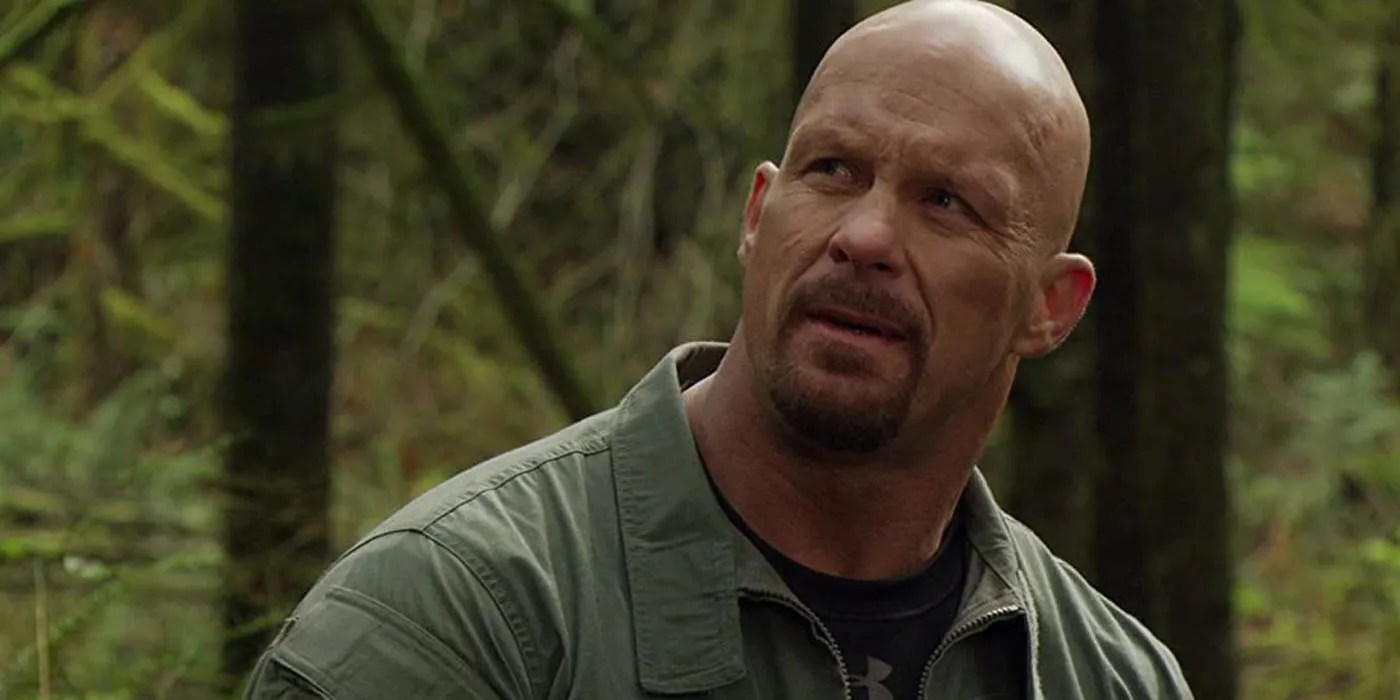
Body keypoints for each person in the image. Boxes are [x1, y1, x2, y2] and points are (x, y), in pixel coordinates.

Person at [244, 0, 1193, 697]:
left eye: (946, 202)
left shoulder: (1106, 676)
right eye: (833, 170)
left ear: (1050, 307)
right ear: (757, 214)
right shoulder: (463, 618)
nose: (864, 235)